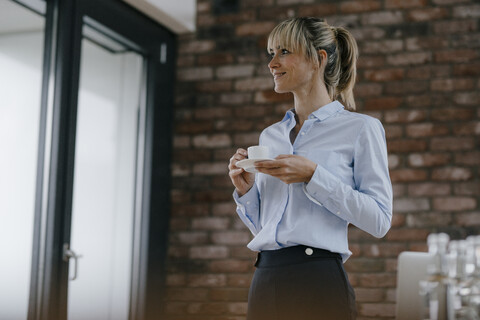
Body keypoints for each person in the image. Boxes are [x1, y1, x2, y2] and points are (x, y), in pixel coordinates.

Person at [228, 17, 393, 320]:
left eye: (284, 52)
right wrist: (247, 190)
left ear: (318, 59)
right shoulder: (271, 136)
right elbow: (268, 227)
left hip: (318, 280)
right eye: (271, 53)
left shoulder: (361, 129)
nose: (272, 63)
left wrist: (314, 176)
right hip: (265, 278)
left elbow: (380, 221)